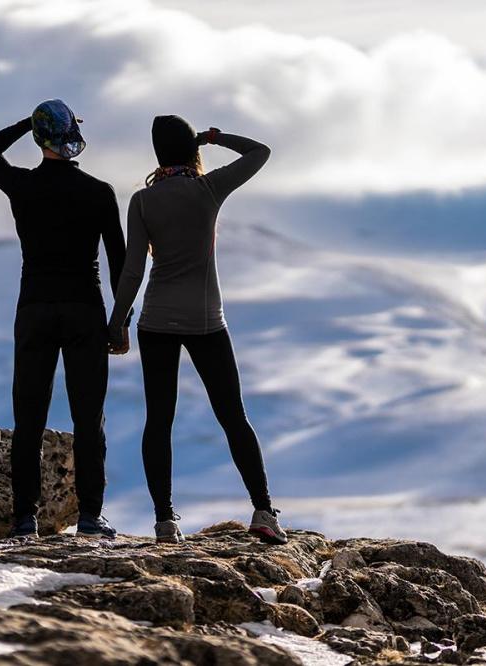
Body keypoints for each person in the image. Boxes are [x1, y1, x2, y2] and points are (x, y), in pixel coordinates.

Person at [107, 115, 288, 545]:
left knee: (159, 421)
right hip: (207, 322)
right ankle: (263, 509)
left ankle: (165, 522)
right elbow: (260, 152)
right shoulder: (209, 189)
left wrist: (117, 322)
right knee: (233, 417)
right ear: (194, 151)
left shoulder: (142, 201)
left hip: (156, 322)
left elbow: (134, 270)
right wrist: (216, 137)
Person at [0, 99, 124, 539]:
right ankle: (91, 516)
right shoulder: (99, 192)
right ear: (74, 137)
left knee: (29, 418)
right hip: (85, 309)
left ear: (41, 139)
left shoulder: (23, 187)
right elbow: (119, 262)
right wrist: (119, 323)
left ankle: (26, 518)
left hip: (35, 308)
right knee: (88, 417)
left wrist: (31, 122)